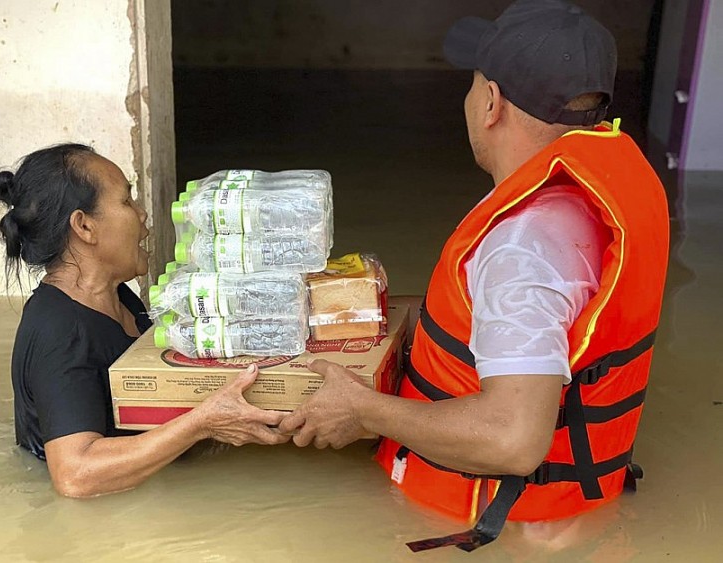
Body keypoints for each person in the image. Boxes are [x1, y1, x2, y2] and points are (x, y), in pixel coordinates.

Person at [279, 0, 669, 551]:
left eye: (472, 84)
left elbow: (513, 440)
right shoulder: (584, 199)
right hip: (572, 512)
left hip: (492, 526)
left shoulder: (523, 247)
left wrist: (362, 409)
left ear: (490, 103)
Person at [0, 144, 289, 498]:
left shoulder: (115, 296)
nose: (142, 215)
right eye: (127, 201)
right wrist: (203, 424)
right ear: (84, 226)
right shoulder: (61, 332)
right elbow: (76, 476)